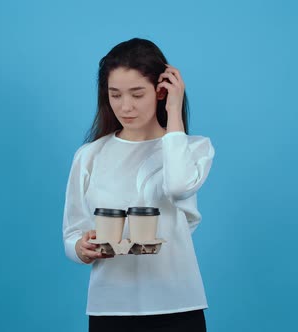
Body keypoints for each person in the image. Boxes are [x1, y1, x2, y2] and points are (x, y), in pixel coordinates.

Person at [62, 38, 215, 332]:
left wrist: (174, 114)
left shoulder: (193, 149)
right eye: (115, 95)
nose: (125, 106)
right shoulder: (89, 155)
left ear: (161, 91)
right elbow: (72, 234)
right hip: (109, 309)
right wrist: (82, 248)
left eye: (137, 93)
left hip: (178, 305)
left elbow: (178, 186)